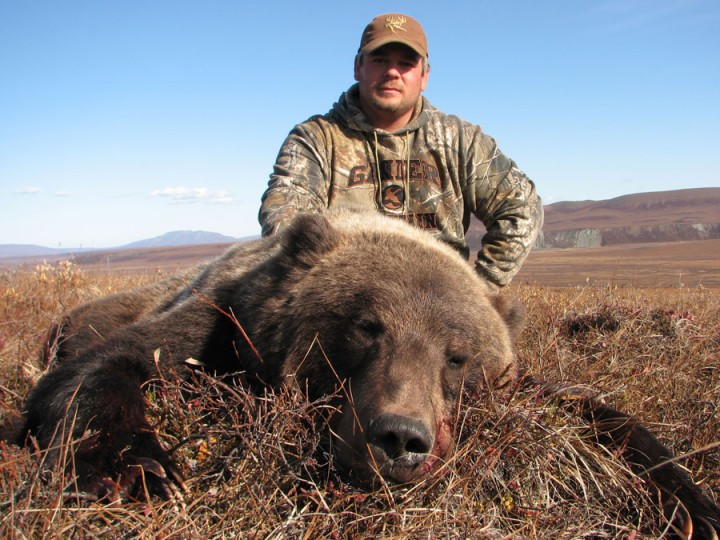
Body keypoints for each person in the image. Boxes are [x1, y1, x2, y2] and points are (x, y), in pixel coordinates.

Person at [259, 13, 543, 289]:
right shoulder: (314, 139)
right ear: (358, 66)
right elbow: (287, 226)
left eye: (406, 63)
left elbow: (521, 207)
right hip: (349, 303)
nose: (392, 72)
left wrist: (479, 290)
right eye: (380, 60)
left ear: (424, 76)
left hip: (440, 304)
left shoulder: (460, 140)